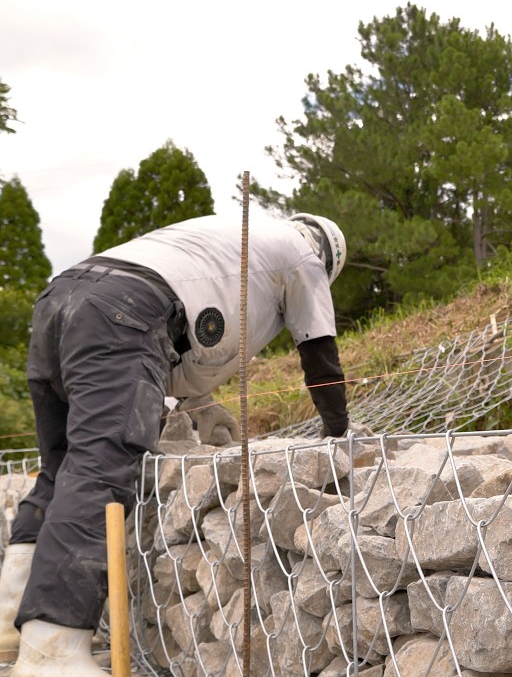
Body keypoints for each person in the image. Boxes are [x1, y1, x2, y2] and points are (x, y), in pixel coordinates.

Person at [0, 213, 371, 675]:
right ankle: (50, 654)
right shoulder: (304, 256)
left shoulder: (231, 236)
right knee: (99, 470)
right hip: (126, 308)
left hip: (62, 297)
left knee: (62, 469)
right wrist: (338, 433)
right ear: (328, 257)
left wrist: (202, 405)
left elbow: (183, 339)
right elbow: (320, 354)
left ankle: (10, 627)